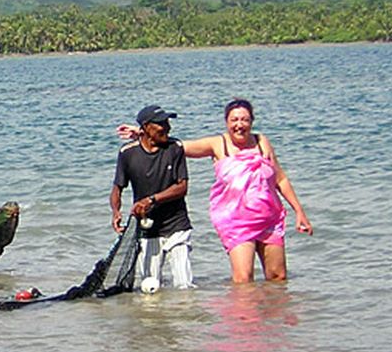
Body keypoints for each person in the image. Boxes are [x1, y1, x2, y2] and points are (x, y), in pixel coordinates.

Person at [119, 98, 313, 283]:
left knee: (277, 278)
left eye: (245, 119)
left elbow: (281, 179)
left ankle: (274, 316)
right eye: (234, 120)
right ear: (226, 122)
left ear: (252, 121)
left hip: (269, 219)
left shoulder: (262, 142)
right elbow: (178, 146)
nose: (240, 124)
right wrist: (142, 132)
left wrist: (299, 212)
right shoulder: (218, 144)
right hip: (236, 223)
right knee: (243, 280)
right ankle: (245, 317)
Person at [110, 105, 193, 289]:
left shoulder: (175, 148)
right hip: (147, 229)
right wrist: (116, 211)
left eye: (168, 122)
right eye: (162, 123)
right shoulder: (127, 153)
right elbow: (117, 188)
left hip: (177, 226)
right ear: (146, 127)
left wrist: (151, 200)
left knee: (184, 285)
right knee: (150, 287)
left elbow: (182, 187)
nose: (168, 128)